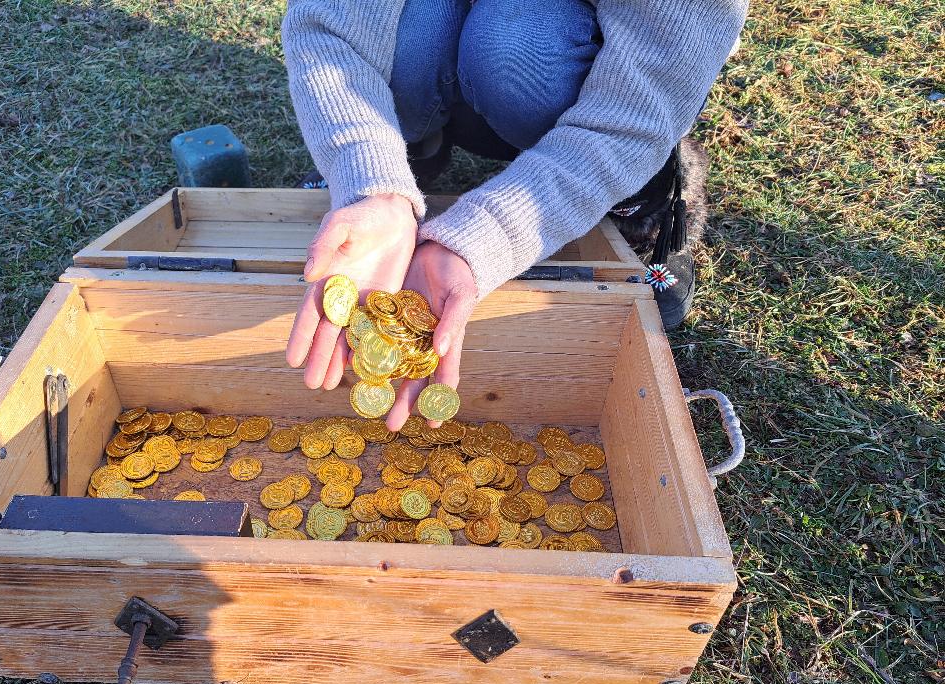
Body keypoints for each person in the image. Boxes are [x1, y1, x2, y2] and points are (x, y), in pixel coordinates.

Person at [281, 0, 748, 431]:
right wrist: (371, 175)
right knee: (413, 39)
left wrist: (486, 239)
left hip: (566, 57)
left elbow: (635, 111)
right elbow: (331, 29)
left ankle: (643, 197)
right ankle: (408, 149)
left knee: (515, 51)